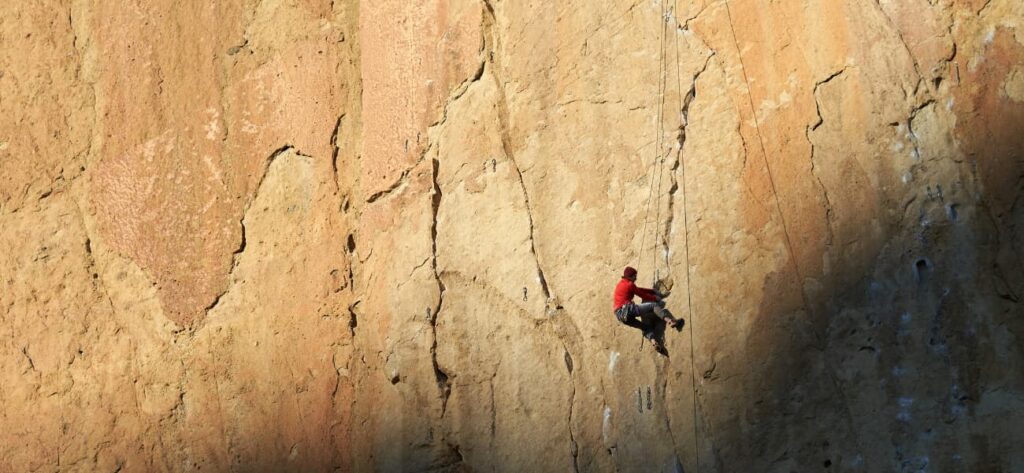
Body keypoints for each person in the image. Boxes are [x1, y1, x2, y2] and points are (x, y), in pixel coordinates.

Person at [613, 266, 683, 352]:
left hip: (620, 316)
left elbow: (639, 289)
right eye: (635, 276)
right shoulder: (630, 284)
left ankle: (654, 342)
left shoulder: (621, 284)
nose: (636, 278)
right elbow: (642, 295)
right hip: (628, 310)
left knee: (644, 327)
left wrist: (652, 291)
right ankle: (670, 321)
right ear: (630, 276)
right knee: (652, 305)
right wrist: (655, 298)